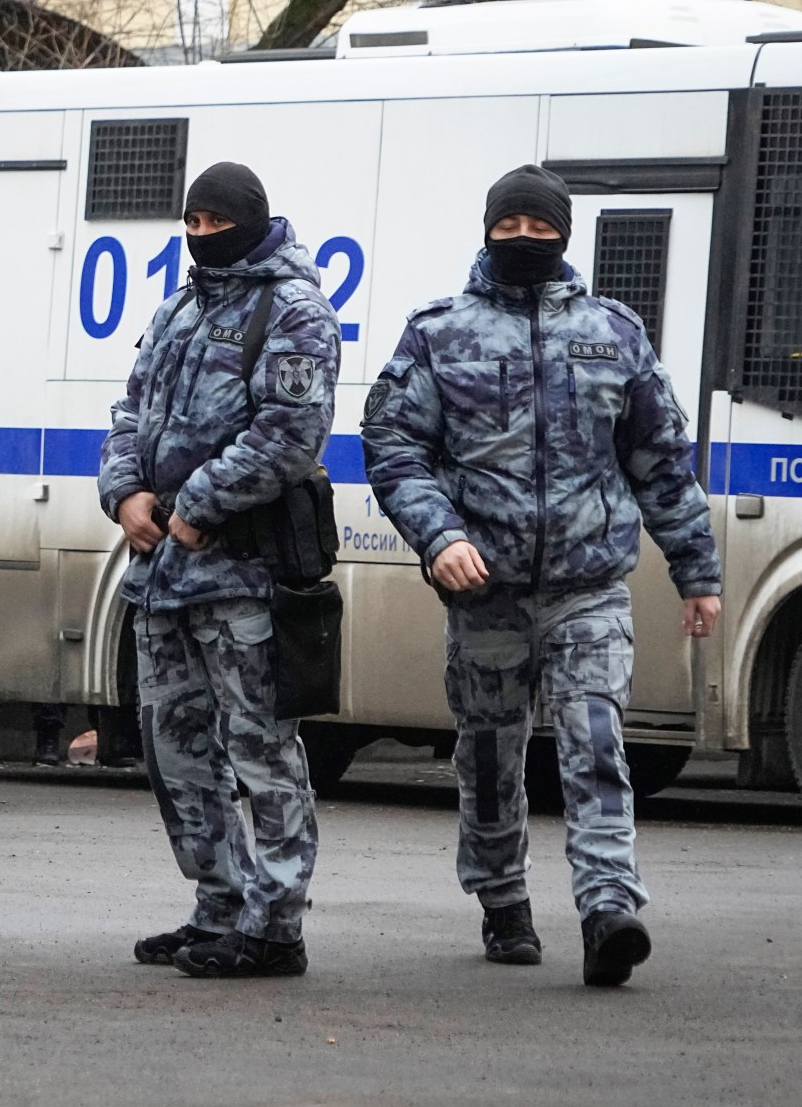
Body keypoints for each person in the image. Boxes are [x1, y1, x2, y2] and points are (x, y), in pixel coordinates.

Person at [361, 164, 721, 988]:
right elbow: (393, 447)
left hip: (588, 587)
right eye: (509, 225)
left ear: (564, 232)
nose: (524, 237)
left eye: (539, 225)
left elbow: (661, 461)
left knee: (596, 742)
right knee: (490, 758)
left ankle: (607, 909)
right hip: (482, 593)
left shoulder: (614, 332)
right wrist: (439, 537)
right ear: (488, 229)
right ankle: (502, 899)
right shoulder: (439, 333)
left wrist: (697, 571)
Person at [98, 162, 339, 979]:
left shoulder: (294, 309)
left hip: (246, 576)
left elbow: (290, 434)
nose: (202, 236)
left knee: (261, 751)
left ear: (253, 221)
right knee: (175, 751)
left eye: (216, 223)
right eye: (192, 223)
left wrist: (198, 504)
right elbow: (130, 410)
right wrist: (124, 492)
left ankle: (275, 925)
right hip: (163, 576)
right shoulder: (178, 308)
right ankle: (219, 905)